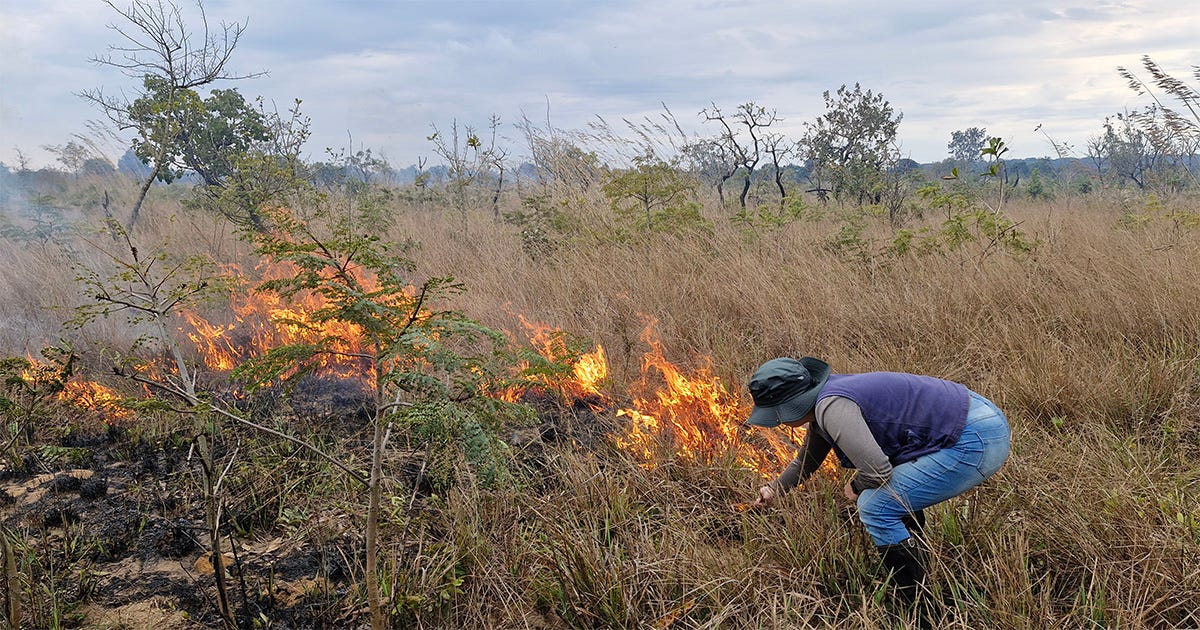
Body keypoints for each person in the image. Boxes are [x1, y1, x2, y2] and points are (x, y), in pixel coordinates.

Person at [745, 356, 1011, 602]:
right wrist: (774, 489)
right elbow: (807, 461)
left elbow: (877, 471)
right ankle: (917, 565)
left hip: (976, 437)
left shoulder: (831, 407)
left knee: (876, 505)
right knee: (891, 495)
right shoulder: (826, 401)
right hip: (978, 414)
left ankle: (916, 602)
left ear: (791, 406)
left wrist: (856, 486)